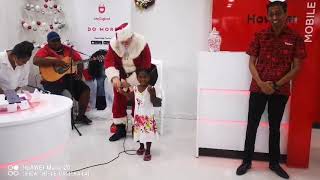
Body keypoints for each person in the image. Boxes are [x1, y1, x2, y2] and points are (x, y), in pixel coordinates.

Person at [236, 1, 306, 179]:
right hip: (258, 88)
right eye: (271, 14)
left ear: (285, 13)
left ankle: (274, 164)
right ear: (268, 16)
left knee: (275, 128)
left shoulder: (295, 38)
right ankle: (246, 161)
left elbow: (296, 67)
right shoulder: (260, 35)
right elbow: (251, 62)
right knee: (252, 125)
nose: (275, 18)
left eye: (278, 14)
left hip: (280, 91)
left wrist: (275, 85)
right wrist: (261, 83)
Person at [105, 23, 152, 141]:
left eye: (127, 40)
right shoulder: (113, 44)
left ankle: (137, 128)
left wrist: (131, 82)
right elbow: (109, 62)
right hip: (120, 77)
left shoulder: (142, 43)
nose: (125, 43)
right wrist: (114, 77)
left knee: (138, 102)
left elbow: (146, 65)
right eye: (122, 41)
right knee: (118, 101)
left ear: (132, 36)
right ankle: (120, 129)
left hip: (139, 77)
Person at [33, 31, 92, 125]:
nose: (56, 43)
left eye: (58, 40)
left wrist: (79, 74)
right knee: (55, 99)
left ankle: (81, 116)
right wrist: (56, 62)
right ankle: (57, 119)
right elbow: (36, 61)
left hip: (68, 77)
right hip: (50, 79)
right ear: (48, 42)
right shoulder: (45, 50)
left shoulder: (68, 50)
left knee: (85, 90)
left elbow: (79, 61)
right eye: (53, 41)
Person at [119, 69, 160, 161]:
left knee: (148, 134)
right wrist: (123, 93)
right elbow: (130, 98)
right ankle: (141, 147)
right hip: (138, 116)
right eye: (140, 77)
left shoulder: (150, 88)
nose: (143, 79)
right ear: (137, 78)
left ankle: (148, 150)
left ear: (149, 78)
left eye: (145, 77)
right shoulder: (135, 88)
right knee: (139, 134)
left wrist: (152, 94)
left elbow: (155, 102)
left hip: (147, 116)